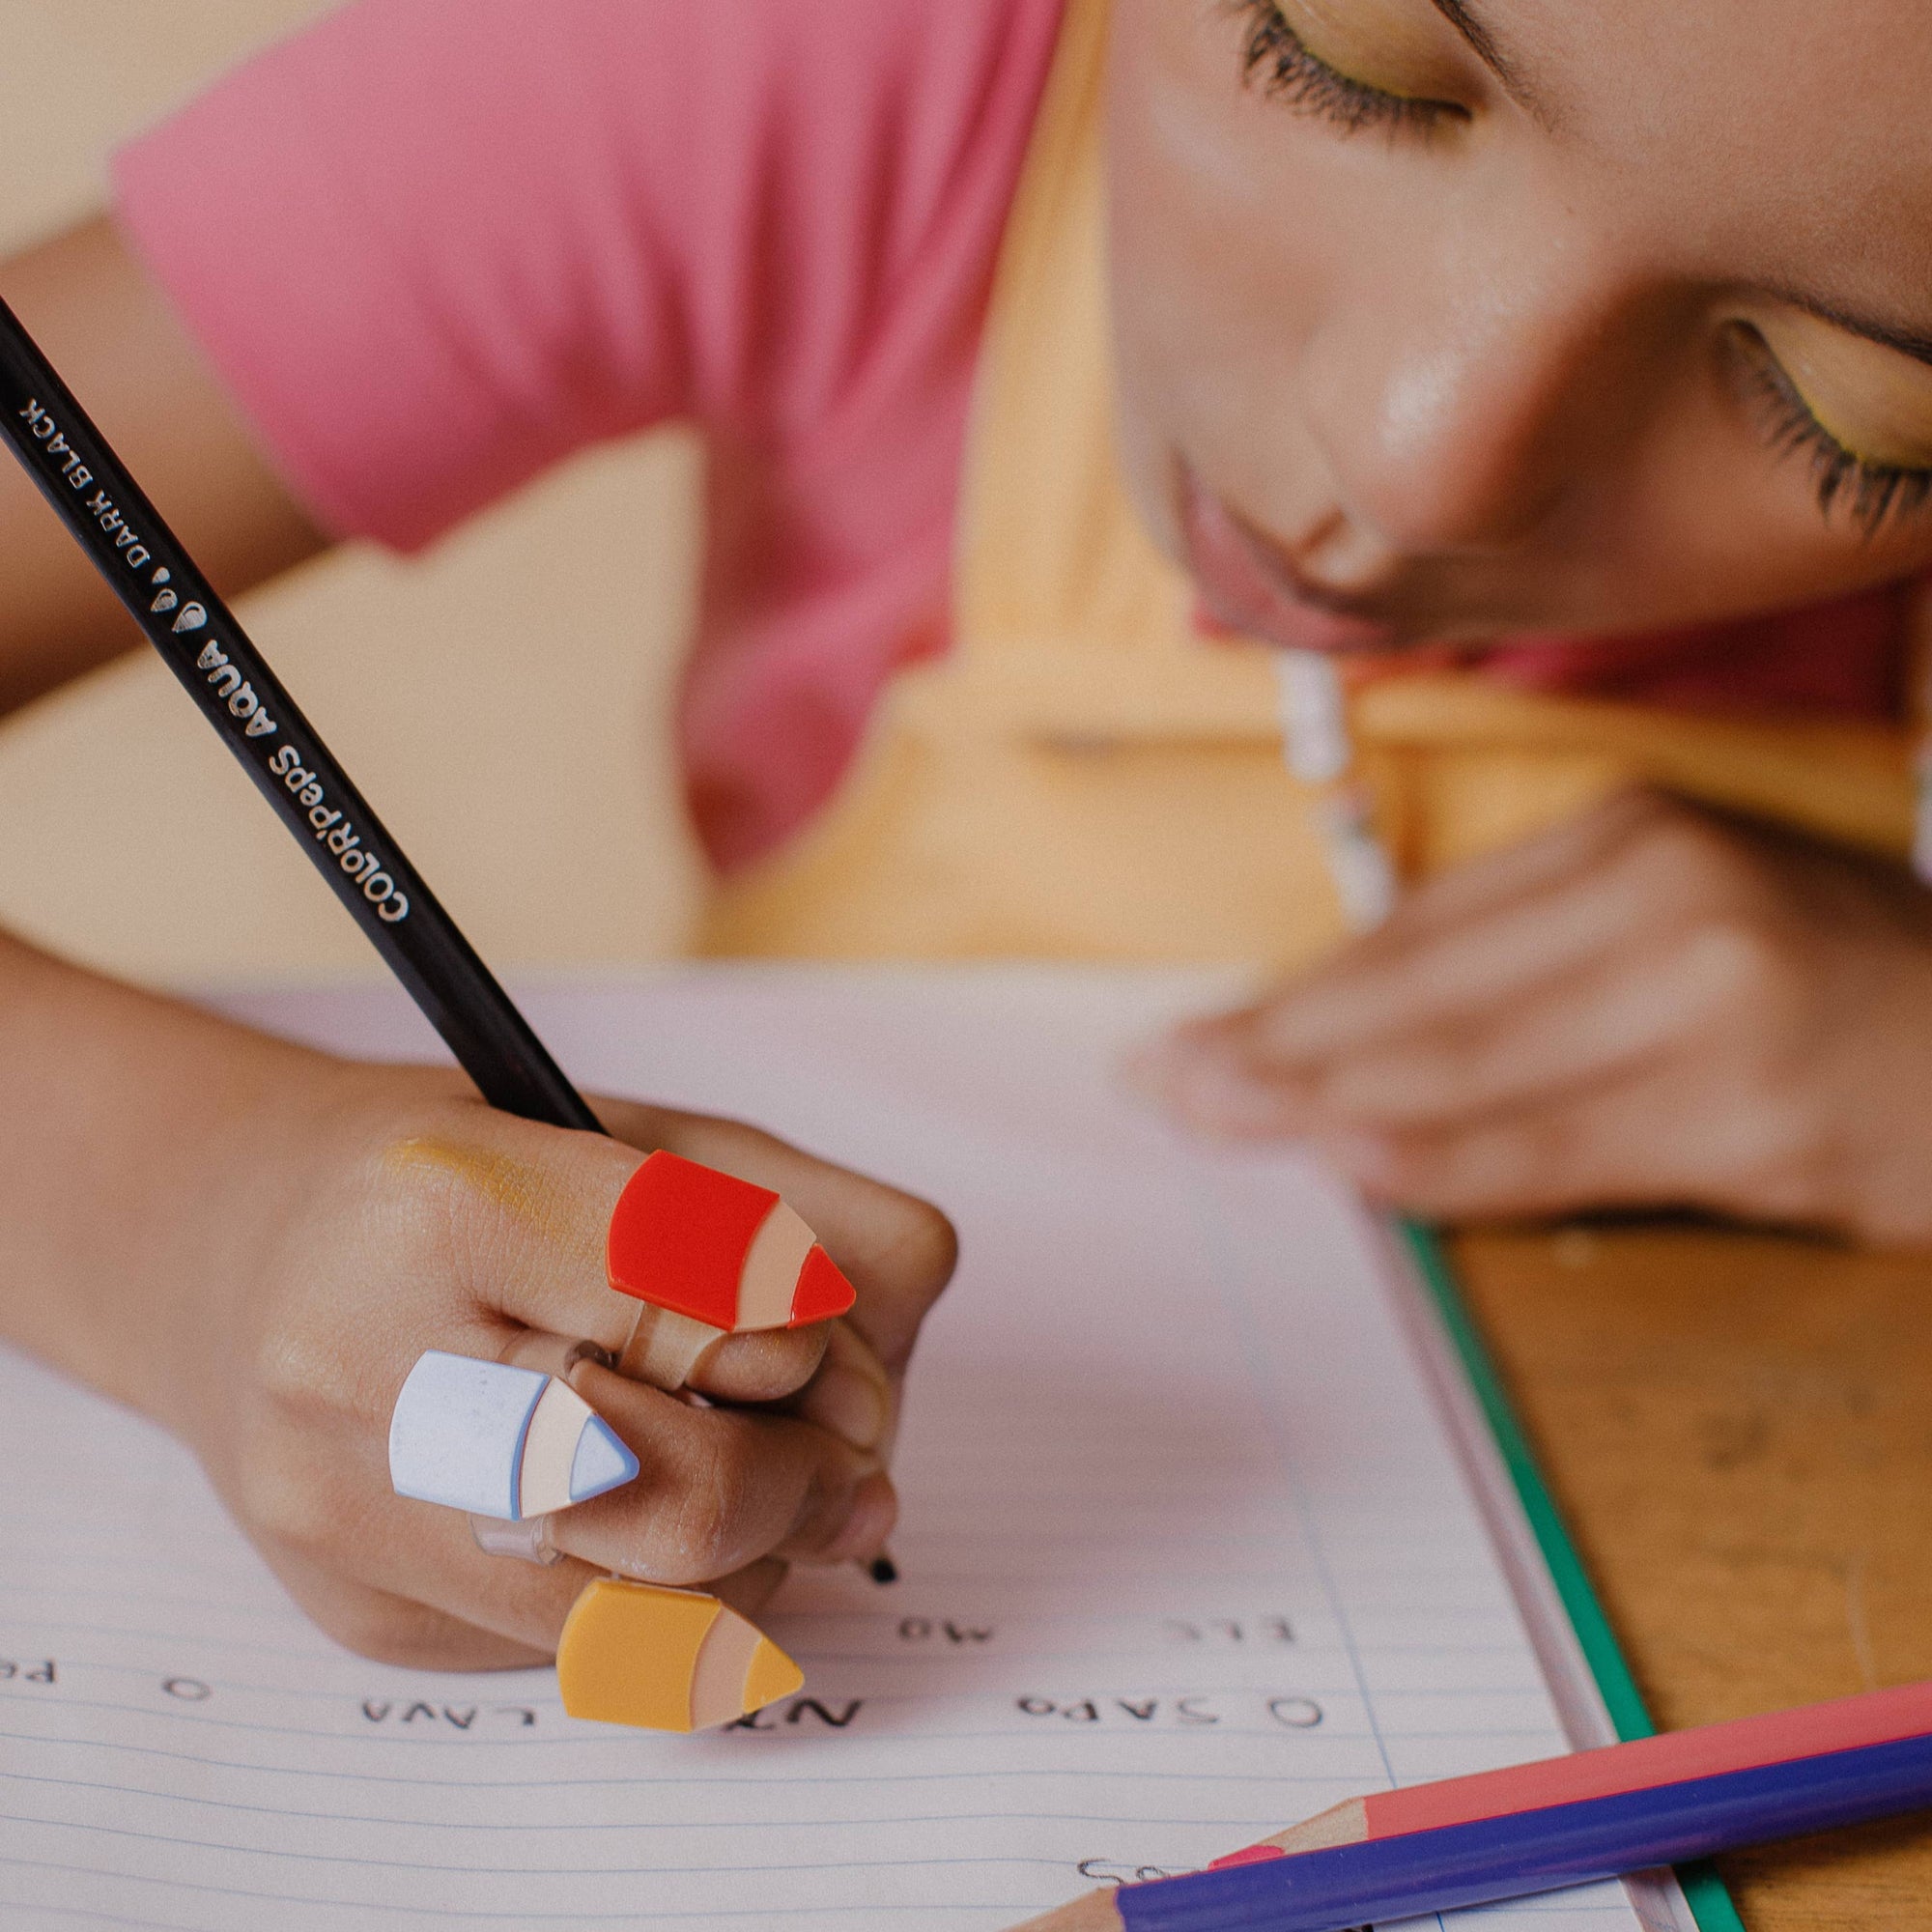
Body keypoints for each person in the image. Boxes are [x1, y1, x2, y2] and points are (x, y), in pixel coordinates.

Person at [6, 0, 1932, 1674]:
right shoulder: (837, 58)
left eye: (1849, 412)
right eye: (1336, 54)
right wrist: (182, 1212)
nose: (1408, 456)